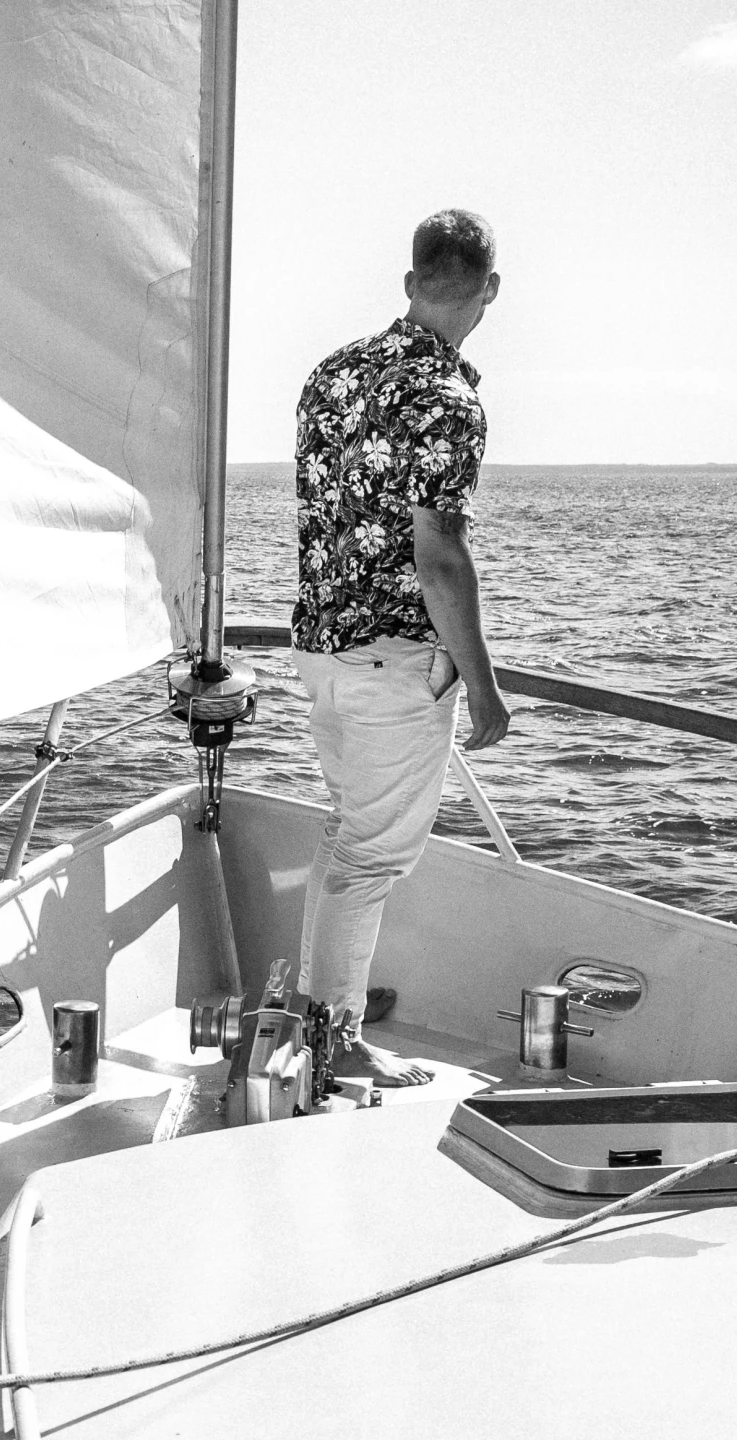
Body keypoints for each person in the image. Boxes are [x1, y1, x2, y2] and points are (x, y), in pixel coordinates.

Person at [290, 208, 510, 1089]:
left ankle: (320, 1015)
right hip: (391, 660)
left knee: (350, 838)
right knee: (370, 853)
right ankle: (331, 1038)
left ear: (411, 280)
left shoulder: (333, 373)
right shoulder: (451, 401)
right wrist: (486, 688)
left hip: (324, 648)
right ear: (489, 289)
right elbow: (440, 557)